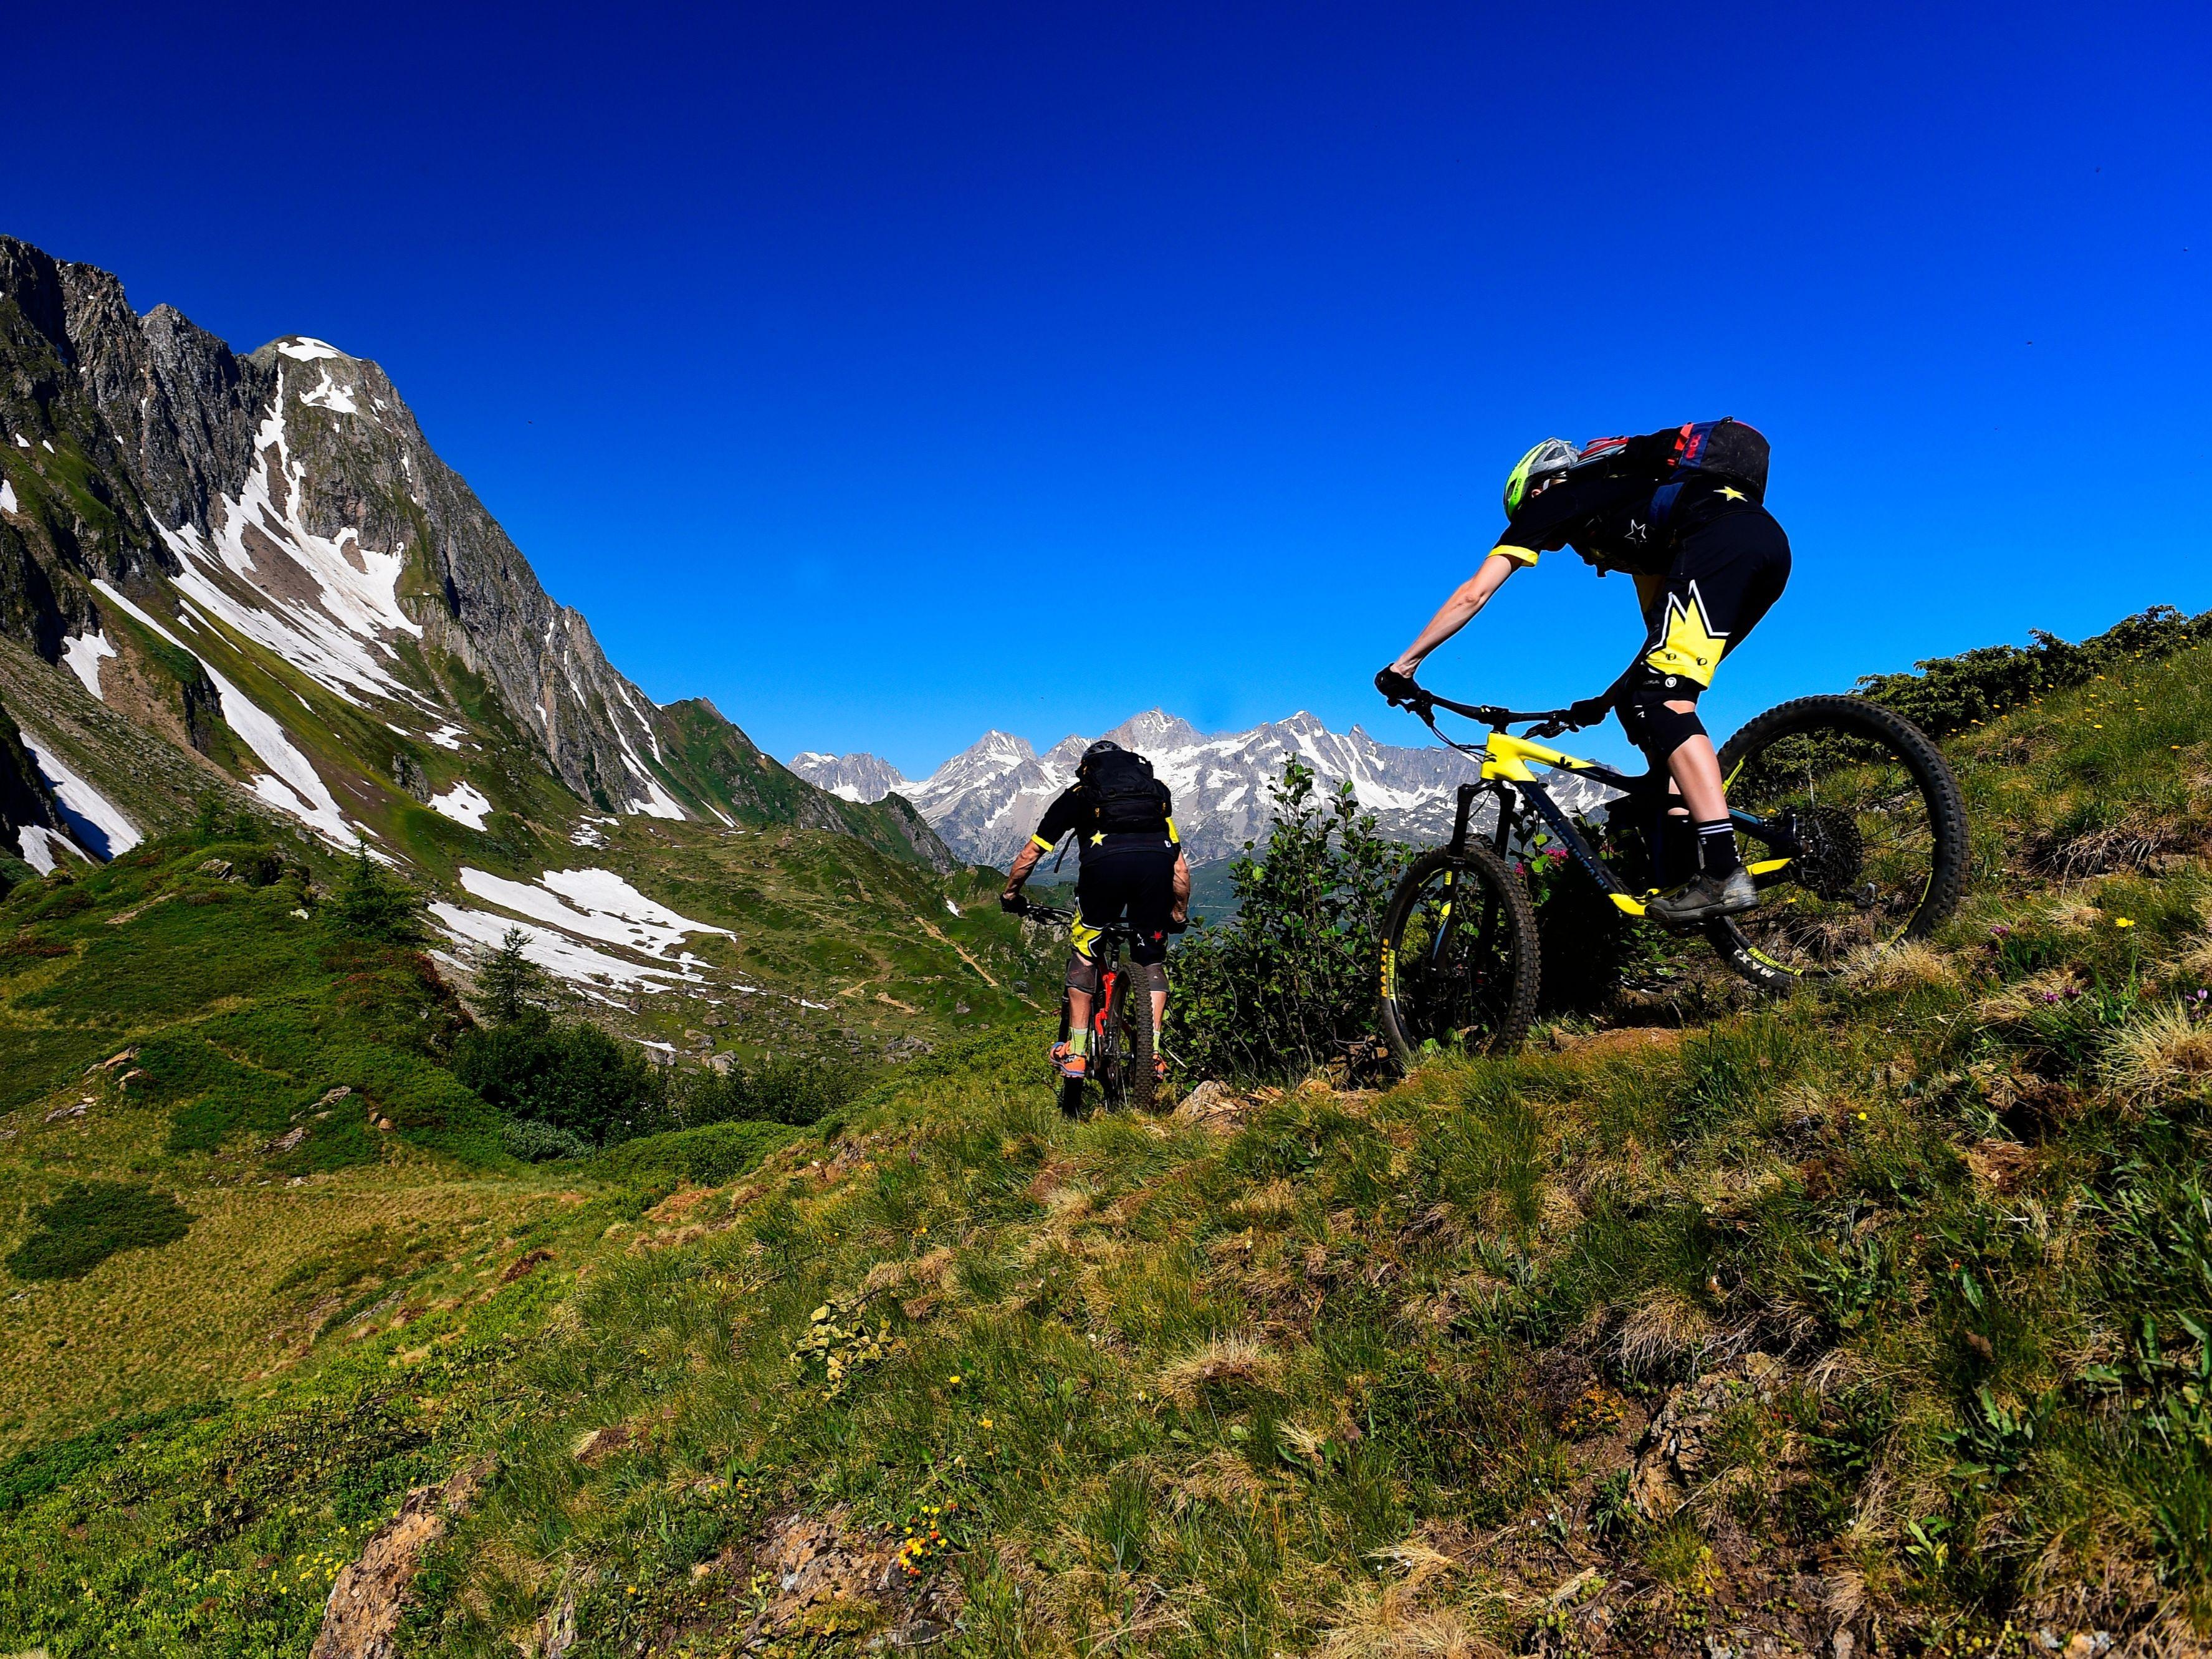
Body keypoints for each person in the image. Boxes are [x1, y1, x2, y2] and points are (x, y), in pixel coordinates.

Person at [1375, 420, 1790, 924]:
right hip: (1764, 548)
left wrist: (1404, 665)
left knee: (1660, 701)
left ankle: (1722, 873)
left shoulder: (1560, 499)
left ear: (1537, 489)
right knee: (1651, 698)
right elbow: (1655, 639)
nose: (1572, 552)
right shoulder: (1647, 509)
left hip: (1721, 547)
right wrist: (1606, 699)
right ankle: (1685, 857)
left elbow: (1474, 593)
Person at [1001, 739, 1192, 1079]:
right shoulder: (1155, 798)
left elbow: (1031, 854)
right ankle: (1154, 1053)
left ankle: (1075, 1052)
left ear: (1088, 769)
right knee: (1152, 960)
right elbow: (1180, 868)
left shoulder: (1079, 795)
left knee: (1086, 952)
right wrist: (1178, 913)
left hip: (1103, 872)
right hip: (1155, 871)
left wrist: (1011, 895)